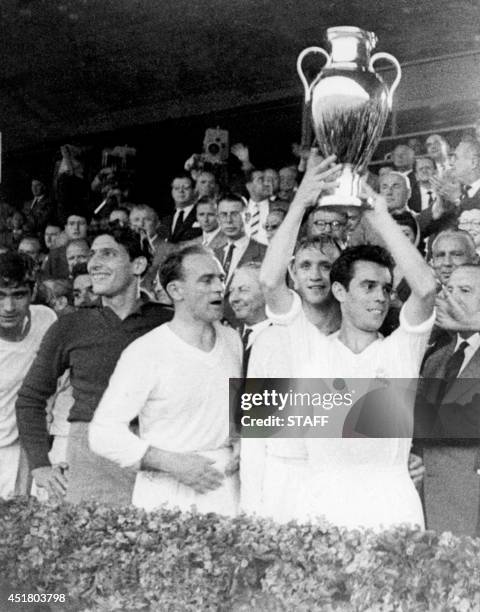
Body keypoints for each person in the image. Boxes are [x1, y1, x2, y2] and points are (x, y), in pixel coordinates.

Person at [258, 151, 436, 530]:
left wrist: (381, 217)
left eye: (385, 288)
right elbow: (270, 281)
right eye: (368, 286)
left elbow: (425, 288)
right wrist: (300, 202)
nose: (379, 297)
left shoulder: (401, 349)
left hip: (393, 509)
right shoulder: (309, 347)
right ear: (339, 290)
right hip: (323, 507)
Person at [16, 225, 173, 504]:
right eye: (92, 255)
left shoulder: (170, 322)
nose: (95, 263)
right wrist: (40, 465)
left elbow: (224, 383)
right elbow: (30, 398)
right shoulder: (71, 326)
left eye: (108, 254)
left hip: (161, 453)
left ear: (138, 265)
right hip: (91, 459)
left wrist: (238, 447)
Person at [89, 245, 241, 515]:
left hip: (225, 491)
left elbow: (236, 413)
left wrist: (243, 446)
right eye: (206, 280)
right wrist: (173, 464)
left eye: (220, 278)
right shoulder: (146, 352)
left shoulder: (232, 340)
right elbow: (102, 433)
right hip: (165, 495)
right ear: (175, 291)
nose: (219, 287)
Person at [417, 264, 480, 536]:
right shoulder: (435, 359)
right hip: (431, 508)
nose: (452, 298)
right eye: (449, 289)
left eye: (465, 291)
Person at [0, 252, 57, 498]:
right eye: (0, 296)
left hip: (27, 449)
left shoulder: (46, 320)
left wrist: (23, 487)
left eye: (18, 295)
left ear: (32, 293)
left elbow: (38, 403)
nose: (9, 307)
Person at [214, 194, 266, 325]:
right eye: (223, 215)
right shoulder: (213, 255)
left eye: (235, 214)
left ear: (247, 217)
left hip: (248, 328)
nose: (229, 220)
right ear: (218, 219)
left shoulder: (265, 253)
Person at [162, 174, 202, 244]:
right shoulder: (165, 219)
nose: (181, 191)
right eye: (176, 188)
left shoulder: (202, 214)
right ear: (172, 192)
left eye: (186, 188)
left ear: (194, 191)